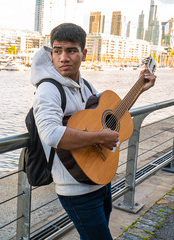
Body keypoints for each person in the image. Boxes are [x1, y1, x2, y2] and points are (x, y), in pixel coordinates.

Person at [31, 23, 156, 240]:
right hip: (75, 187)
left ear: (84, 54)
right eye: (57, 51)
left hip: (99, 178)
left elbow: (112, 117)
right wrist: (100, 137)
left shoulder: (86, 86)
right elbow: (51, 134)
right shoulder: (48, 90)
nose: (63, 57)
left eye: (71, 51)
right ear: (51, 53)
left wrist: (139, 88)